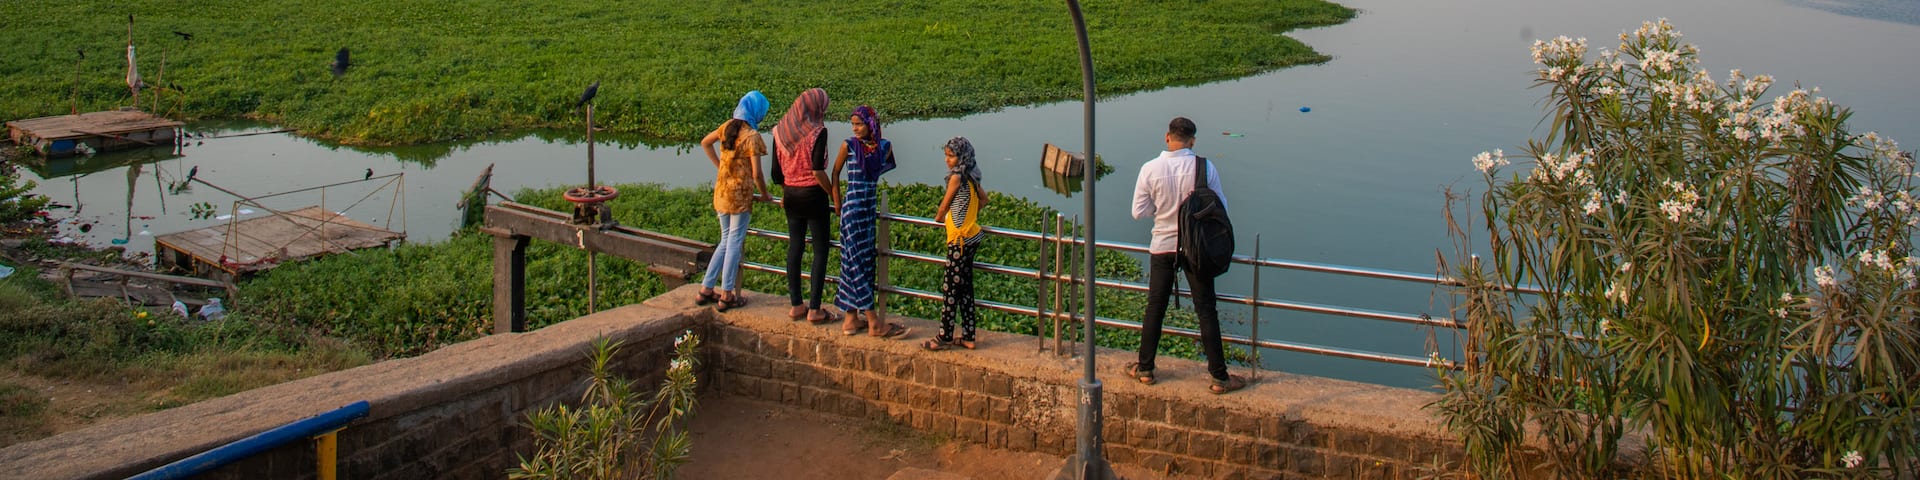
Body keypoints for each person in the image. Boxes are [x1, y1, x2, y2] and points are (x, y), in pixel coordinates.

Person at [1125, 117, 1247, 394]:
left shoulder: (1150, 169)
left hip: (1163, 246)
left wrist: (1163, 209)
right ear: (1192, 140)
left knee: (1155, 308)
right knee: (1206, 311)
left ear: (1167, 137)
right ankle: (1219, 377)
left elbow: (1138, 211)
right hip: (1196, 250)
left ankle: (1145, 369)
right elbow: (1220, 207)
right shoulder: (1204, 167)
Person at [832, 106, 910, 339]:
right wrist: (837, 202)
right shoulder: (849, 145)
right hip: (853, 210)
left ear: (871, 125)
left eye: (860, 124)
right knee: (854, 262)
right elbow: (835, 173)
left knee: (859, 262)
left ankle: (850, 318)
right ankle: (873, 321)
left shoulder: (883, 147)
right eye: (853, 125)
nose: (855, 129)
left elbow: (878, 168)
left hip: (867, 211)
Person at [695, 90, 772, 312]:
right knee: (734, 242)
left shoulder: (727, 127)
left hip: (721, 192)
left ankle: (707, 288)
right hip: (739, 197)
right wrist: (765, 195)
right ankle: (727, 293)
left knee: (725, 240)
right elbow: (757, 174)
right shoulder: (752, 137)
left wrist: (720, 166)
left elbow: (705, 143)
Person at [772, 88, 841, 325]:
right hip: (813, 196)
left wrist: (786, 191)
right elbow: (816, 170)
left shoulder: (780, 131)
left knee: (795, 247)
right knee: (820, 250)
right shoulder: (817, 132)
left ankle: (795, 305)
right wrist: (833, 192)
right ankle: (814, 309)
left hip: (790, 195)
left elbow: (775, 173)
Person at [924, 137, 987, 351]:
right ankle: (968, 335)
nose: (947, 160)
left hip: (959, 240)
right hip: (972, 236)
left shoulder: (956, 177)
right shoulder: (972, 175)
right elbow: (984, 200)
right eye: (947, 155)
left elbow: (944, 205)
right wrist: (969, 215)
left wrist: (941, 217)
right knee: (965, 289)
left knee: (950, 289)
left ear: (962, 157)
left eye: (951, 156)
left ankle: (945, 336)